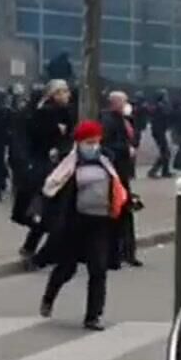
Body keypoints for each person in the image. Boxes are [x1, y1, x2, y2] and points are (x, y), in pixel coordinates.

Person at [35, 119, 128, 331]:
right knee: (66, 268)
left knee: (98, 269)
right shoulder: (68, 164)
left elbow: (118, 186)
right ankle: (49, 297)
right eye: (88, 141)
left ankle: (93, 316)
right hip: (74, 223)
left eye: (96, 141)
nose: (93, 145)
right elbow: (51, 188)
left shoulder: (106, 161)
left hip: (100, 223)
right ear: (79, 142)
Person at [18, 79, 75, 259]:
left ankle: (49, 250)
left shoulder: (65, 113)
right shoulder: (45, 113)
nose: (68, 95)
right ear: (55, 94)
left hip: (62, 166)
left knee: (59, 212)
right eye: (64, 91)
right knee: (48, 211)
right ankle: (32, 248)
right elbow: (41, 140)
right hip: (48, 168)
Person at [99, 91, 142, 268]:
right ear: (114, 103)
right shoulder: (108, 120)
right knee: (117, 213)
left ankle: (127, 252)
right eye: (124, 102)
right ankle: (114, 255)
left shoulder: (125, 120)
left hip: (123, 172)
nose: (127, 105)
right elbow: (105, 145)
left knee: (125, 212)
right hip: (115, 173)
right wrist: (125, 149)